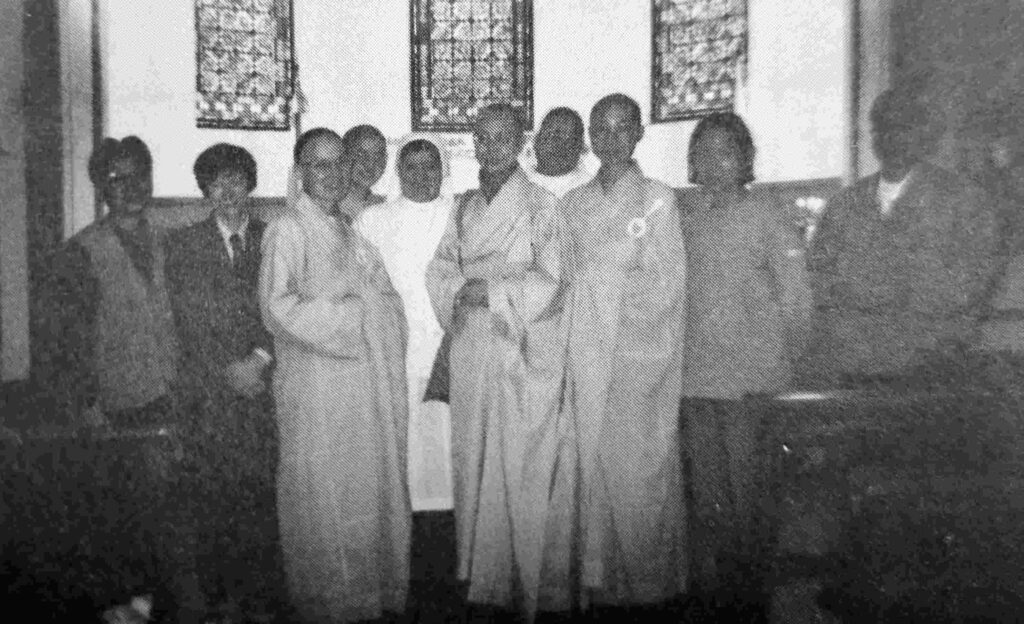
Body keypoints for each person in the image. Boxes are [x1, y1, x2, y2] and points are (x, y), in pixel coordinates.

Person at [34, 136, 192, 619]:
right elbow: (67, 342)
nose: (130, 187)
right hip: (122, 402)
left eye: (139, 175)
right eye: (116, 178)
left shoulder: (172, 237)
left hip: (178, 392)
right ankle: (131, 606)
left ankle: (167, 605)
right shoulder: (79, 252)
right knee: (133, 513)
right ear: (101, 187)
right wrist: (87, 404)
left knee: (178, 509)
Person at [259, 127, 411, 623]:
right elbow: (277, 308)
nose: (330, 174)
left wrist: (375, 311)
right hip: (316, 387)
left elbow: (387, 300)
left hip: (363, 386)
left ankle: (365, 598)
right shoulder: (288, 230)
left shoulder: (351, 232)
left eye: (338, 163)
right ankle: (328, 604)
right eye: (318, 164)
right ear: (300, 172)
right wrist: (353, 316)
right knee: (323, 492)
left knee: (361, 488)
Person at [424, 103, 568, 622]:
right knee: (473, 458)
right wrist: (458, 290)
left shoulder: (542, 204)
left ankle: (518, 579)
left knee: (517, 460)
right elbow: (441, 266)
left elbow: (553, 279)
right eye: (481, 138)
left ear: (521, 142)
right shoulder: (464, 206)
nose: (490, 147)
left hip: (517, 345)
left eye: (502, 137)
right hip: (470, 344)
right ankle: (478, 575)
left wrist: (494, 292)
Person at [559, 93, 688, 611]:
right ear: (590, 137)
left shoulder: (658, 200)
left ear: (638, 134)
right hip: (582, 357)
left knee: (638, 471)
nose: (611, 139)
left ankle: (649, 588)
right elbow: (560, 278)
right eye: (602, 129)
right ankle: (600, 582)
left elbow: (666, 285)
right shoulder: (572, 204)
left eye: (621, 128)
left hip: (636, 358)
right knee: (590, 467)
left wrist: (605, 295)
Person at [678, 113, 810, 594]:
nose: (714, 163)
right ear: (692, 161)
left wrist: (787, 368)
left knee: (749, 491)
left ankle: (751, 595)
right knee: (708, 494)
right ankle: (719, 592)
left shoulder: (768, 216)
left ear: (745, 159)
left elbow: (797, 301)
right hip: (696, 379)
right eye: (704, 153)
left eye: (725, 152)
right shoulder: (686, 219)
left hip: (751, 383)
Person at [803, 89, 998, 386]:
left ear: (923, 135)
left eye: (903, 128)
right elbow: (818, 279)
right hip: (857, 367)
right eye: (881, 128)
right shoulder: (845, 205)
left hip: (931, 368)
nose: (891, 138)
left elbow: (975, 284)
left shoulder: (961, 201)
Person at [165, 143, 281, 621]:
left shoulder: (275, 237)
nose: (228, 189)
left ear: (250, 183)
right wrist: (228, 370)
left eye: (236, 178)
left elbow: (285, 306)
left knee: (261, 495)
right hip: (210, 393)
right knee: (213, 498)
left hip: (265, 388)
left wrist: (259, 359)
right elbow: (185, 320)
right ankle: (218, 602)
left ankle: (262, 600)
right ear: (205, 190)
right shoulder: (183, 244)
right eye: (217, 181)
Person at [356, 134, 455, 513]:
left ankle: (445, 522)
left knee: (446, 441)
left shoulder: (459, 214)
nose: (421, 175)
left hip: (449, 345)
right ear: (398, 172)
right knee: (405, 441)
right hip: (396, 345)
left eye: (430, 165)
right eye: (411, 167)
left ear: (443, 170)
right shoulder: (373, 219)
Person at [523, 107, 592, 198]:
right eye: (547, 136)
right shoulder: (519, 181)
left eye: (561, 138)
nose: (554, 144)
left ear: (579, 147)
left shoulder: (590, 189)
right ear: (536, 141)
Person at [338, 124, 388, 222]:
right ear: (344, 158)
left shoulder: (384, 206)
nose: (370, 165)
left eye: (377, 157)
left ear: (385, 160)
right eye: (360, 155)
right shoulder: (329, 207)